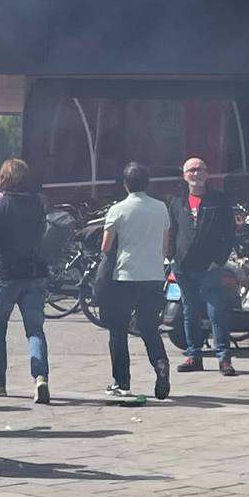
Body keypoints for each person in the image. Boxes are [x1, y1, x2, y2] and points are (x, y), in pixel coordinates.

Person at [0, 159, 51, 404]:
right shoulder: (38, 204)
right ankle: (40, 377)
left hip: (5, 275)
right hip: (35, 273)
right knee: (34, 329)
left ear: (3, 178)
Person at [101, 163, 172, 399]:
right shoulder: (161, 208)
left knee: (118, 330)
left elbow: (106, 246)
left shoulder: (118, 209)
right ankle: (161, 365)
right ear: (148, 183)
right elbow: (164, 245)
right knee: (149, 327)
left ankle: (122, 382)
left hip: (124, 276)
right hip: (152, 275)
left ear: (125, 184)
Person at [168, 157, 236, 376]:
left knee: (216, 312)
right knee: (189, 311)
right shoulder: (177, 201)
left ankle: (224, 358)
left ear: (207, 174)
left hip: (209, 266)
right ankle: (193, 355)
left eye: (200, 169)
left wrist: (219, 259)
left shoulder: (219, 199)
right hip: (183, 266)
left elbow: (229, 232)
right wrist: (171, 256)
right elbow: (171, 231)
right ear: (184, 175)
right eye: (191, 170)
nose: (196, 174)